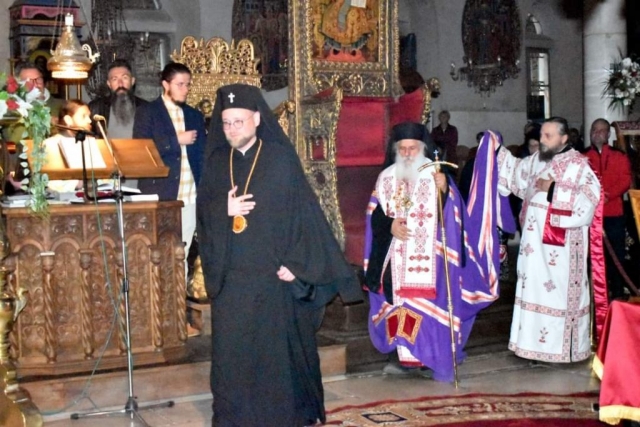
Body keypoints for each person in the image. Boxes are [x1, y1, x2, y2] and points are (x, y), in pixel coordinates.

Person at [197, 83, 361, 426]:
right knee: (232, 359)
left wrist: (296, 266)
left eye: (239, 122)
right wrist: (224, 211)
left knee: (274, 360)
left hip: (272, 282)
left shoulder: (279, 159)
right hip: (232, 283)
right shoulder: (216, 163)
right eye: (226, 123)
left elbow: (304, 218)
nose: (232, 129)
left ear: (257, 118)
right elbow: (204, 221)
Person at [364, 122, 506, 382]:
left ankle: (428, 357)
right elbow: (375, 217)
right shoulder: (385, 177)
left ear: (423, 149)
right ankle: (403, 358)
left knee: (428, 308)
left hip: (433, 258)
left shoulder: (437, 174)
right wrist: (390, 225)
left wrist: (444, 191)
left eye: (412, 148)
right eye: (402, 148)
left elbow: (455, 215)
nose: (407, 153)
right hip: (396, 256)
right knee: (401, 304)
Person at [490, 117, 601, 363]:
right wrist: (496, 149)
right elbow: (514, 171)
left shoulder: (579, 165)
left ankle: (560, 351)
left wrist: (552, 189)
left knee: (556, 295)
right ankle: (530, 347)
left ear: (564, 138)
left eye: (548, 136)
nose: (542, 140)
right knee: (532, 290)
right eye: (541, 135)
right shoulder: (536, 161)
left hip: (560, 251)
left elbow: (588, 203)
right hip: (533, 248)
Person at [585, 118, 632, 301]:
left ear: (608, 134)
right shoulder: (582, 157)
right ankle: (595, 295)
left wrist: (607, 195)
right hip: (589, 215)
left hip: (613, 214)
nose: (597, 133)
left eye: (601, 130)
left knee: (616, 256)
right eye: (594, 130)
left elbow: (625, 180)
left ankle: (618, 293)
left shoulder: (619, 156)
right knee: (593, 256)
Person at [3, 62, 64, 193]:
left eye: (38, 79)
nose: (35, 85)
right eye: (29, 81)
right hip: (21, 176)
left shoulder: (61, 106)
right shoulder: (10, 110)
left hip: (58, 174)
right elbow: (13, 140)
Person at [88, 59, 148, 140]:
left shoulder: (146, 109)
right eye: (114, 79)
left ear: (132, 81)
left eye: (125, 78)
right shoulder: (96, 109)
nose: (120, 84)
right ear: (109, 84)